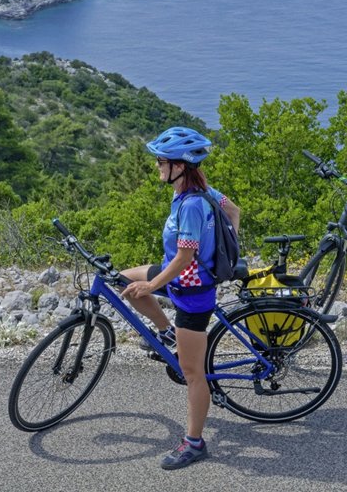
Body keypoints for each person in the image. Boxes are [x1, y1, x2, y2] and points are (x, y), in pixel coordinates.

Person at [121, 126, 240, 470]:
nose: (157, 165)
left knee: (193, 374)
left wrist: (152, 284)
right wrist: (225, 251)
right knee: (122, 280)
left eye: (161, 161)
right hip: (181, 277)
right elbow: (234, 212)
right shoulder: (202, 190)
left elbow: (185, 258)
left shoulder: (190, 204)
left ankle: (194, 442)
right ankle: (166, 332)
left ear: (180, 166)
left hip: (191, 291)